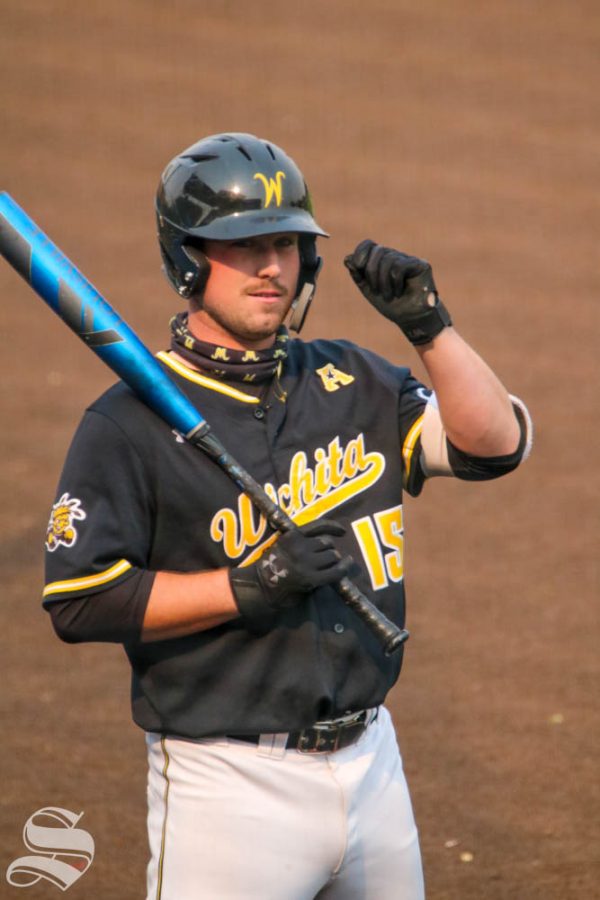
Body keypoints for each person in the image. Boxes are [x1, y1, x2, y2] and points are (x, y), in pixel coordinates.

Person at [43, 132, 532, 900]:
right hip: (228, 786)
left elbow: (493, 445)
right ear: (189, 260)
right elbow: (80, 599)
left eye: (288, 244)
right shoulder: (125, 426)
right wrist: (245, 587)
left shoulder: (352, 378)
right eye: (244, 246)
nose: (272, 266)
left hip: (375, 763)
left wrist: (430, 329)